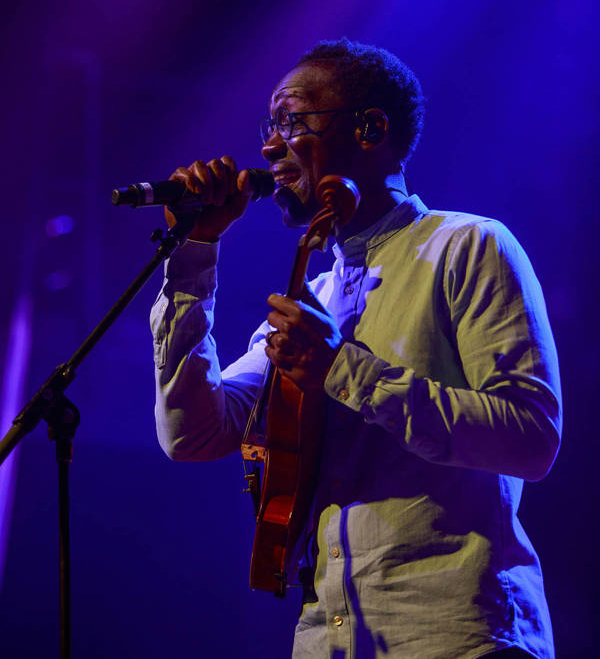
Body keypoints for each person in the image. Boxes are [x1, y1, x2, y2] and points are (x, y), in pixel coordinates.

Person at [151, 38, 562, 659]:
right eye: (270, 127)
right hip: (331, 640)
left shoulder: (469, 245)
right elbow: (192, 434)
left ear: (369, 128)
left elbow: (531, 438)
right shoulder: (310, 296)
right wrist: (191, 259)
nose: (267, 146)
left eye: (291, 121)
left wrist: (344, 370)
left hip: (456, 634)